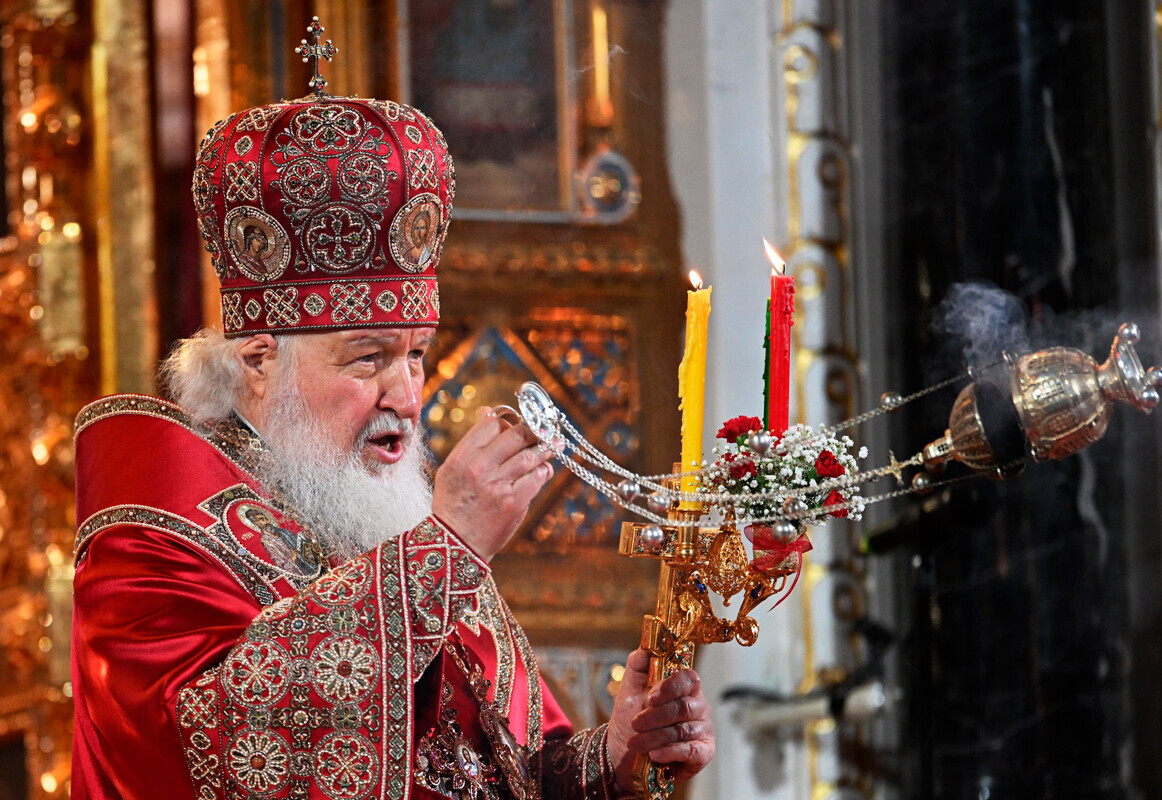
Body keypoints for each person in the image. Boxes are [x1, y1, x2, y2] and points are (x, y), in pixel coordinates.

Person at [69, 61, 714, 800]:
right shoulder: (155, 530)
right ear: (257, 361)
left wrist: (611, 760)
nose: (406, 395)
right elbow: (220, 747)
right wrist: (445, 550)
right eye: (367, 358)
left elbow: (492, 770)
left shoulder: (394, 529)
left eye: (415, 354)